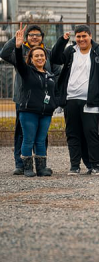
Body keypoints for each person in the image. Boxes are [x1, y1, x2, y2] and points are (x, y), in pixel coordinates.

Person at [51, 25, 99, 176]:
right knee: (73, 134)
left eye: (84, 36)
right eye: (78, 37)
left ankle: (96, 165)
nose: (81, 39)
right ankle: (74, 166)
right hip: (71, 99)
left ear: (90, 36)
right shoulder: (71, 51)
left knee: (92, 134)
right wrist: (62, 41)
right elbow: (55, 58)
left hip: (90, 102)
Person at [1, 24, 59, 175]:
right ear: (26, 37)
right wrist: (16, 40)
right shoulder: (20, 53)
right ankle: (21, 165)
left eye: (37, 35)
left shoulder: (48, 53)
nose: (34, 37)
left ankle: (41, 165)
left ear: (42, 38)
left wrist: (55, 97)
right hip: (24, 100)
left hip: (43, 104)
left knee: (41, 135)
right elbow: (4, 53)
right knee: (23, 134)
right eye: (31, 34)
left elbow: (57, 71)